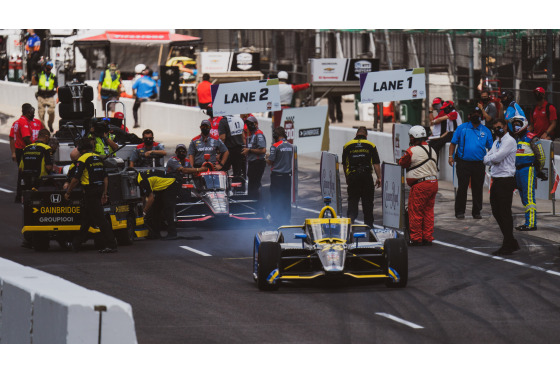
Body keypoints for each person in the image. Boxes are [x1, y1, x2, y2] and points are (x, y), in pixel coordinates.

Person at [64, 138, 117, 253]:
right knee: (87, 218)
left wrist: (68, 192)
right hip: (99, 189)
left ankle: (111, 245)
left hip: (90, 191)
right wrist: (104, 192)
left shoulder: (82, 159)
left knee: (100, 219)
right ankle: (76, 244)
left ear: (80, 149)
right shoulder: (97, 157)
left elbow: (76, 178)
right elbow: (105, 177)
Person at [482, 118, 520, 255]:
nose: (497, 129)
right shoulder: (497, 141)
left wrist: (492, 159)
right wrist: (491, 159)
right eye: (495, 127)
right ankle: (510, 240)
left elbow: (496, 158)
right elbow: (486, 158)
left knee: (504, 212)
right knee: (496, 210)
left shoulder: (509, 141)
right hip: (496, 179)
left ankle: (508, 243)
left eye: (499, 127)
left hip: (506, 179)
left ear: (505, 127)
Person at [448, 107, 493, 219]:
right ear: (469, 115)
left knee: (478, 188)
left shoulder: (486, 131)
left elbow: (491, 148)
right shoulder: (462, 128)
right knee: (462, 187)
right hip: (463, 163)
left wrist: (492, 160)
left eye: (478, 114)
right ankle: (459, 211)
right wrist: (450, 156)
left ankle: (477, 212)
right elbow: (453, 143)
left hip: (479, 164)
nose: (476, 115)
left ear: (481, 116)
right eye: (474, 113)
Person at [398, 126, 438, 246]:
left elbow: (402, 163)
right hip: (433, 184)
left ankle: (416, 238)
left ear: (414, 137)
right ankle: (427, 237)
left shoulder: (412, 150)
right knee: (428, 211)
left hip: (421, 185)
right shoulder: (432, 149)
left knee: (415, 211)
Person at [510, 115, 546, 231]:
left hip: (528, 169)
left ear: (524, 124)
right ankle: (528, 221)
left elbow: (541, 156)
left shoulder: (532, 137)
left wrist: (538, 170)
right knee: (524, 198)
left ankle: (531, 223)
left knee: (529, 197)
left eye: (518, 124)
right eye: (514, 124)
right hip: (518, 170)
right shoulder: (516, 139)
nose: (515, 126)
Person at [342, 126, 382, 228]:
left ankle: (349, 226)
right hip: (366, 177)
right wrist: (379, 177)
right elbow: (376, 163)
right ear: (366, 135)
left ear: (356, 134)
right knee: (368, 203)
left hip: (353, 177)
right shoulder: (371, 145)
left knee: (353, 202)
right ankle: (369, 228)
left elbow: (345, 164)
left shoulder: (347, 146)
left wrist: (347, 177)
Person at [10, 103, 44, 202]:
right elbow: (23, 138)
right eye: (32, 112)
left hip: (27, 150)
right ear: (28, 112)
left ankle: (23, 195)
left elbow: (44, 133)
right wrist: (35, 148)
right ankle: (23, 195)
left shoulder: (36, 122)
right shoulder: (21, 122)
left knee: (26, 173)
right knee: (26, 173)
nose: (33, 114)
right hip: (26, 151)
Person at [137, 169, 180, 240]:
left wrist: (144, 212)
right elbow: (143, 197)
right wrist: (142, 209)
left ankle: (172, 233)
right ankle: (155, 233)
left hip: (172, 183)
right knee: (155, 209)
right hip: (161, 187)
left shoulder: (143, 181)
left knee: (167, 208)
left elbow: (151, 198)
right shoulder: (140, 176)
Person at [267, 126, 295, 224]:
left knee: (276, 197)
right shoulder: (291, 146)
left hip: (277, 176)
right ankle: (286, 218)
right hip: (287, 176)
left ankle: (276, 218)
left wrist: (266, 158)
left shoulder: (275, 146)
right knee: (286, 198)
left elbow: (270, 161)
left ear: (276, 135)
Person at [242, 116, 267, 206]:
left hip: (258, 163)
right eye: (248, 124)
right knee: (252, 185)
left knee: (254, 186)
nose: (249, 125)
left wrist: (249, 150)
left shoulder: (259, 134)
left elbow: (263, 150)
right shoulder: (252, 135)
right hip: (252, 163)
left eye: (251, 124)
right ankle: (253, 204)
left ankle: (257, 205)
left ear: (256, 124)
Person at [218, 114, 245, 179]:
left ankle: (224, 188)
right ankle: (238, 188)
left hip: (228, 150)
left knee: (222, 171)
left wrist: (219, 152)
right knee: (238, 172)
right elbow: (243, 136)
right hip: (239, 149)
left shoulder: (223, 121)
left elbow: (222, 138)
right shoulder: (239, 119)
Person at [36, 61, 58, 132]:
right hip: (41, 96)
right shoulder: (40, 75)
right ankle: (44, 129)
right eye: (47, 68)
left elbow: (57, 87)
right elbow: (33, 80)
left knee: (51, 111)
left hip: (50, 96)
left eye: (49, 69)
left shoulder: (53, 77)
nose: (48, 70)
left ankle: (50, 124)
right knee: (41, 114)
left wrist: (58, 97)